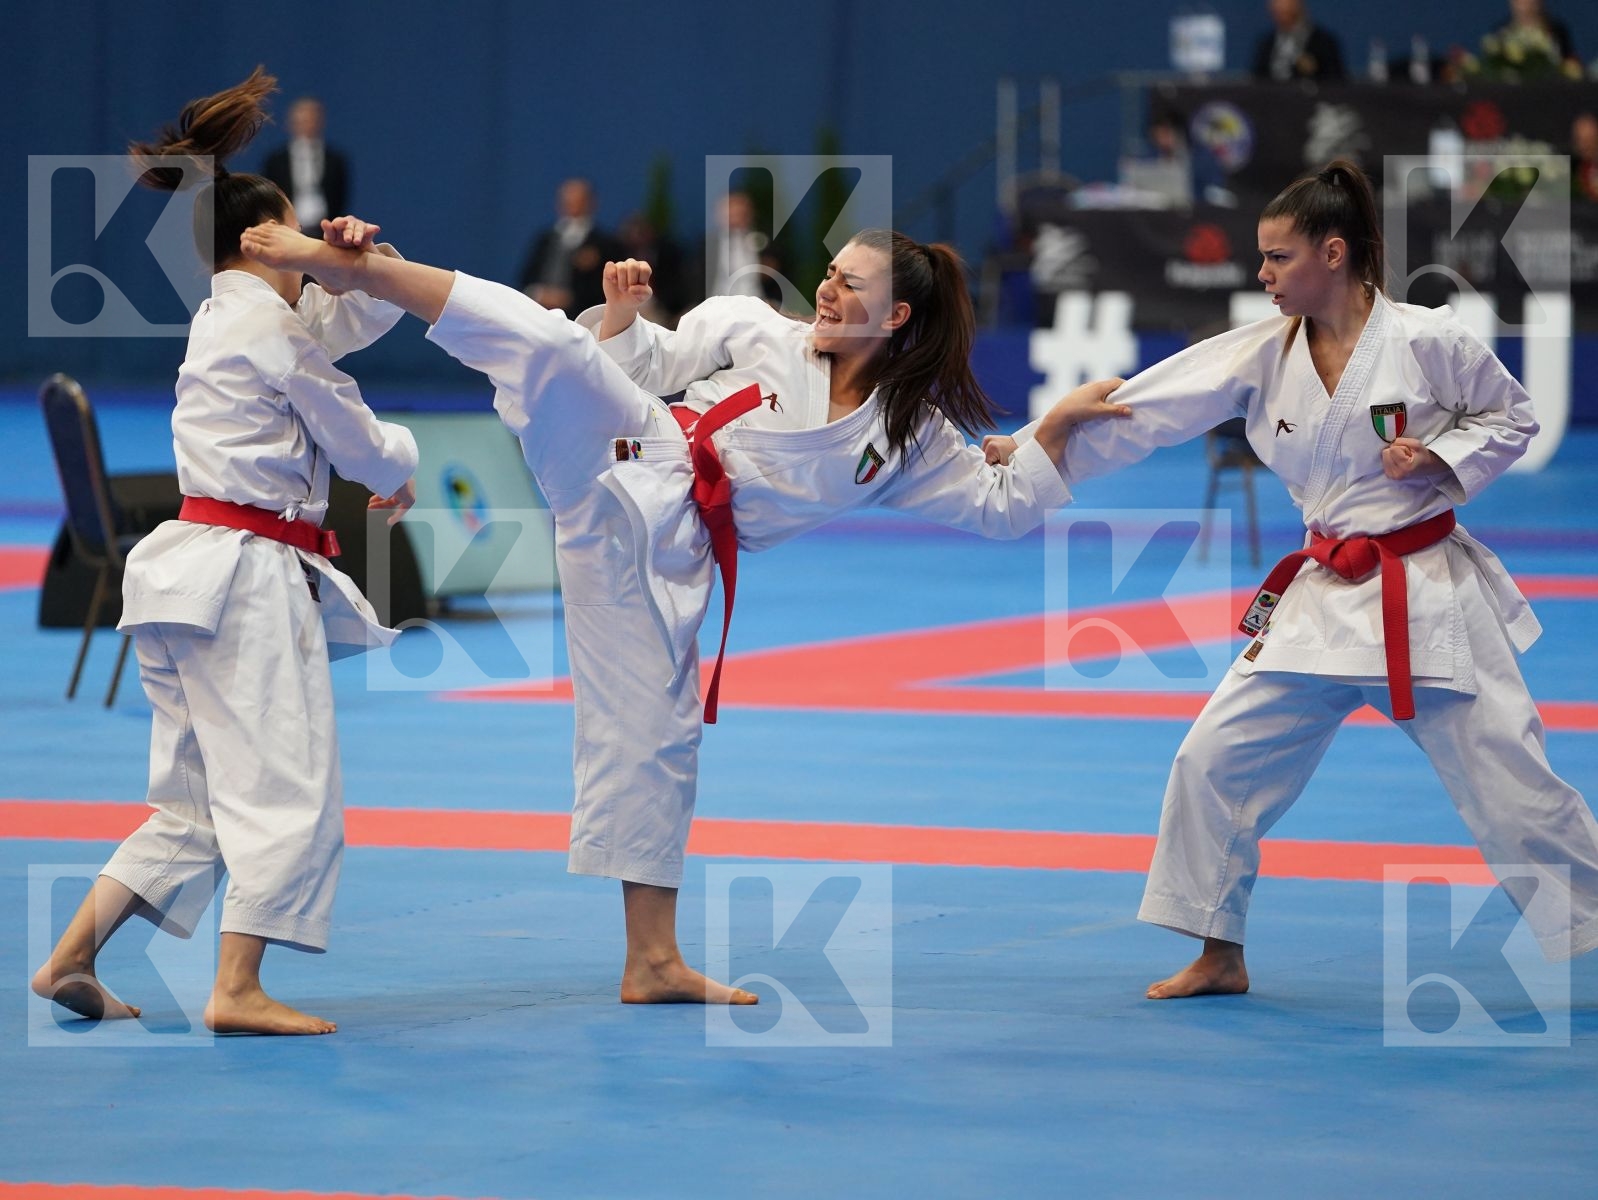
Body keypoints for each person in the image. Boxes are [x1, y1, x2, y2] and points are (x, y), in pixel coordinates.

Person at [239, 219, 1129, 1005]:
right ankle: (358, 272)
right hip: (631, 451)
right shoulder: (754, 325)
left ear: (895, 317)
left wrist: (1056, 427)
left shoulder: (903, 436)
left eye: (849, 283)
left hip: (671, 553)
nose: (825, 287)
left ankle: (652, 962)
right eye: (830, 272)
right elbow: (647, 365)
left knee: (657, 739)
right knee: (552, 349)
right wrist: (622, 323)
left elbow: (999, 505)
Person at [995, 158, 1598, 999]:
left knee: (1512, 784)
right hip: (1321, 592)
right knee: (1213, 761)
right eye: (1262, 257)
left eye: (1279, 257)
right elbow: (1146, 406)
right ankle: (1219, 950)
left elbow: (1511, 416)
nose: (1263, 274)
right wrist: (1037, 441)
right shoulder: (1260, 352)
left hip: (1422, 591)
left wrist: (1439, 458)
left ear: (1335, 254)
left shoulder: (1428, 339)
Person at [30, 68, 418, 1035]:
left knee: (196, 803)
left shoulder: (226, 313)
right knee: (288, 784)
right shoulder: (272, 332)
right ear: (263, 240)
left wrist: (363, 262)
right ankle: (237, 988)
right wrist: (398, 462)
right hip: (242, 582)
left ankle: (71, 955)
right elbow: (362, 435)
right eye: (292, 232)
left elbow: (339, 326)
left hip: (181, 581)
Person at [516, 178, 621, 318]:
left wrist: (570, 297)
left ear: (591, 203)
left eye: (578, 200)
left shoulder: (604, 244)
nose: (571, 204)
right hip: (539, 313)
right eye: (567, 199)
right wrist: (539, 293)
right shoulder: (545, 239)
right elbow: (526, 277)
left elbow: (606, 289)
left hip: (579, 316)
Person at [262, 96, 350, 234]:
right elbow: (269, 196)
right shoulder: (276, 161)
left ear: (320, 122)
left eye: (310, 120)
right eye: (301, 121)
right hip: (288, 230)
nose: (306, 125)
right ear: (290, 124)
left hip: (326, 231)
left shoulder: (335, 159)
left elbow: (340, 195)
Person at [1250, 0, 1346, 82]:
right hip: (1270, 100)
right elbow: (1256, 80)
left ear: (1299, 4)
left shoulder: (1323, 42)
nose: (1280, 6)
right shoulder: (1266, 43)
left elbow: (1336, 82)